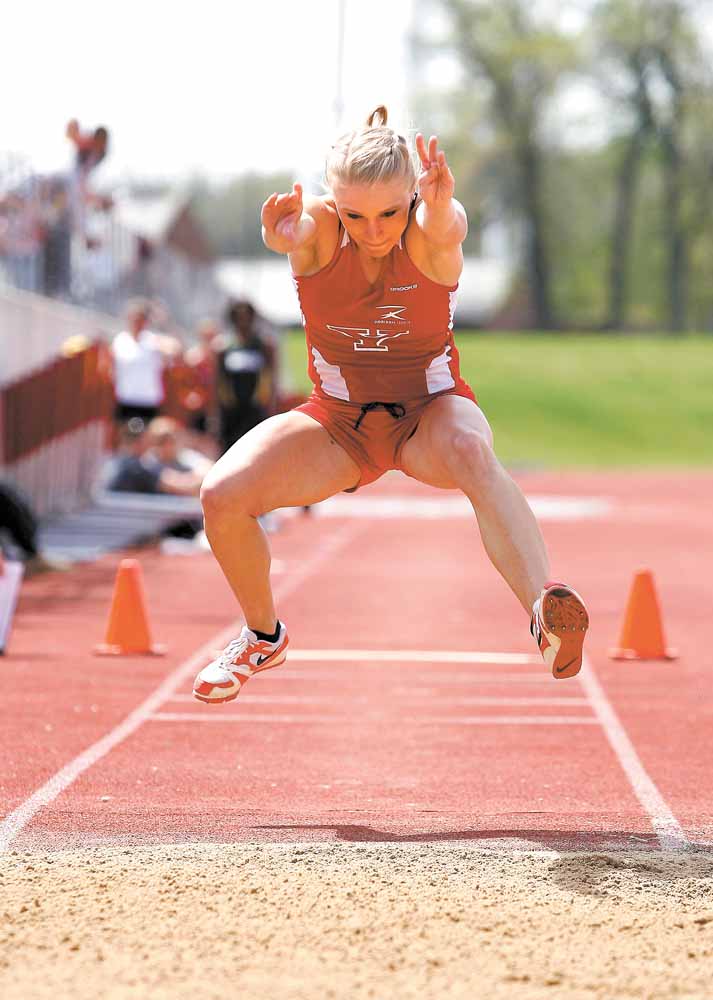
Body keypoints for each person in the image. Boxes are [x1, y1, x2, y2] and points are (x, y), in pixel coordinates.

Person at [192, 106, 589, 705]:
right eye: (354, 214)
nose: (373, 230)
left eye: (387, 213)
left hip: (428, 412)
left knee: (470, 451)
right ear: (333, 201)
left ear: (411, 197)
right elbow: (297, 234)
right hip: (338, 422)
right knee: (220, 495)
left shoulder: (429, 232)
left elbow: (447, 222)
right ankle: (261, 636)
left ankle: (544, 610)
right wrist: (277, 235)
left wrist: (435, 205)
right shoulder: (323, 228)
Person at [215, 300, 276, 455]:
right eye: (238, 317)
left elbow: (271, 376)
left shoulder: (264, 346)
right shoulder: (224, 347)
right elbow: (218, 380)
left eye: (247, 317)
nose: (243, 321)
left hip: (256, 406)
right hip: (231, 409)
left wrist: (271, 404)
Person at [110, 299, 181, 426]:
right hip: (126, 399)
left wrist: (163, 323)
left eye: (141, 319)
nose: (137, 323)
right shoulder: (120, 341)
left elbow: (175, 349)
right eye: (135, 319)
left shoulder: (153, 340)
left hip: (148, 401)